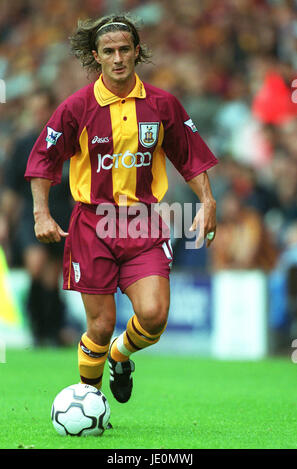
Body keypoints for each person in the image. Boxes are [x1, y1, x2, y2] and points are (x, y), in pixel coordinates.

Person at [24, 14, 218, 405]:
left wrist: (208, 200)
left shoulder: (163, 105)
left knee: (154, 315)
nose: (117, 58)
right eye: (108, 51)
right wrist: (41, 213)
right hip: (93, 224)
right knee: (100, 324)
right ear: (96, 56)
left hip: (143, 223)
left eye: (124, 49)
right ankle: (92, 405)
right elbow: (43, 159)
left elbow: (189, 156)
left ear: (137, 52)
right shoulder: (77, 107)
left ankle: (119, 355)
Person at [1, 89, 74, 346]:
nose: (38, 114)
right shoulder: (23, 144)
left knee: (52, 275)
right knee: (36, 265)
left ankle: (50, 330)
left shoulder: (68, 143)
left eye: (43, 108)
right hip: (30, 215)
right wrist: (4, 220)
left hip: (63, 214)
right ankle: (37, 324)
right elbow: (11, 187)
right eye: (34, 109)